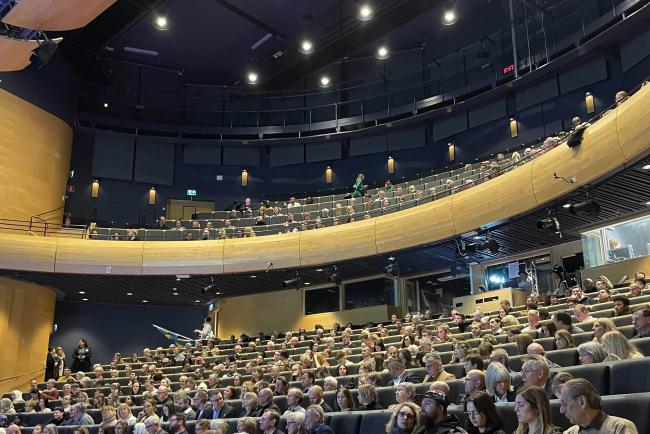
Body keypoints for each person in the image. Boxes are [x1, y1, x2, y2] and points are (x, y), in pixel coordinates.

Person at [560, 378, 638, 433]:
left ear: (582, 402)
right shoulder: (570, 432)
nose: (561, 410)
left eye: (564, 404)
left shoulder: (620, 427)